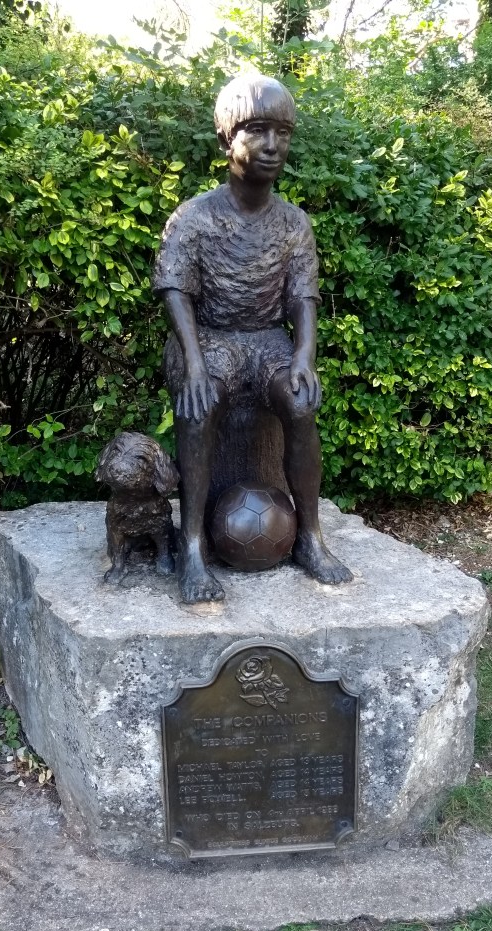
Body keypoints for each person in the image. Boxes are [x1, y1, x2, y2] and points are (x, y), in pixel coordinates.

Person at [153, 72, 352, 604]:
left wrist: (304, 357)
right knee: (197, 407)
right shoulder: (194, 217)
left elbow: (302, 300)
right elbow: (176, 293)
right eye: (257, 130)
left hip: (267, 342)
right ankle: (193, 549)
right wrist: (193, 363)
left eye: (282, 133)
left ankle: (309, 537)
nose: (271, 145)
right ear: (227, 140)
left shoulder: (293, 224)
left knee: (300, 401)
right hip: (209, 340)